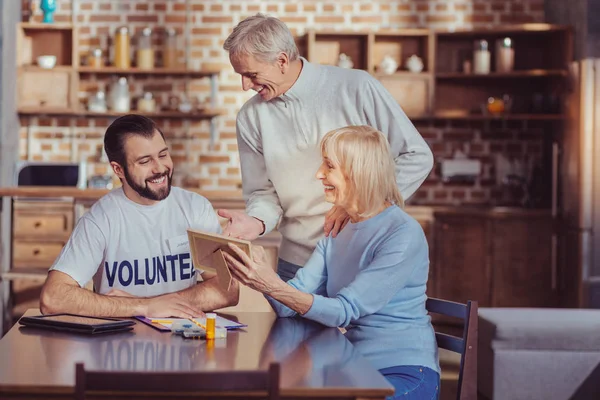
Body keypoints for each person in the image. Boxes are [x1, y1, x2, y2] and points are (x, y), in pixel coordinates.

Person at [224, 126, 440, 400]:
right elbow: (287, 307)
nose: (319, 174)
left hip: (402, 369)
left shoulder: (401, 234)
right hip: (350, 364)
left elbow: (344, 310)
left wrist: (272, 284)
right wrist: (253, 267)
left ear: (358, 171)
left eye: (329, 166)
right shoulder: (339, 228)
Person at [219, 14, 434, 282]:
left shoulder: (356, 87)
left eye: (251, 75)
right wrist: (257, 222)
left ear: (282, 61)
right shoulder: (250, 117)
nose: (245, 86)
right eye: (241, 76)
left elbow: (416, 156)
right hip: (296, 265)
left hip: (361, 257)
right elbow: (263, 192)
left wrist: (364, 206)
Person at [39, 115, 239, 318]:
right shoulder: (100, 220)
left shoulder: (196, 208)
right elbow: (53, 298)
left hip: (183, 341)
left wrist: (153, 304)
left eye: (163, 155)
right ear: (119, 170)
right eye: (145, 161)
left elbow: (228, 289)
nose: (160, 168)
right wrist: (145, 308)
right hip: (116, 343)